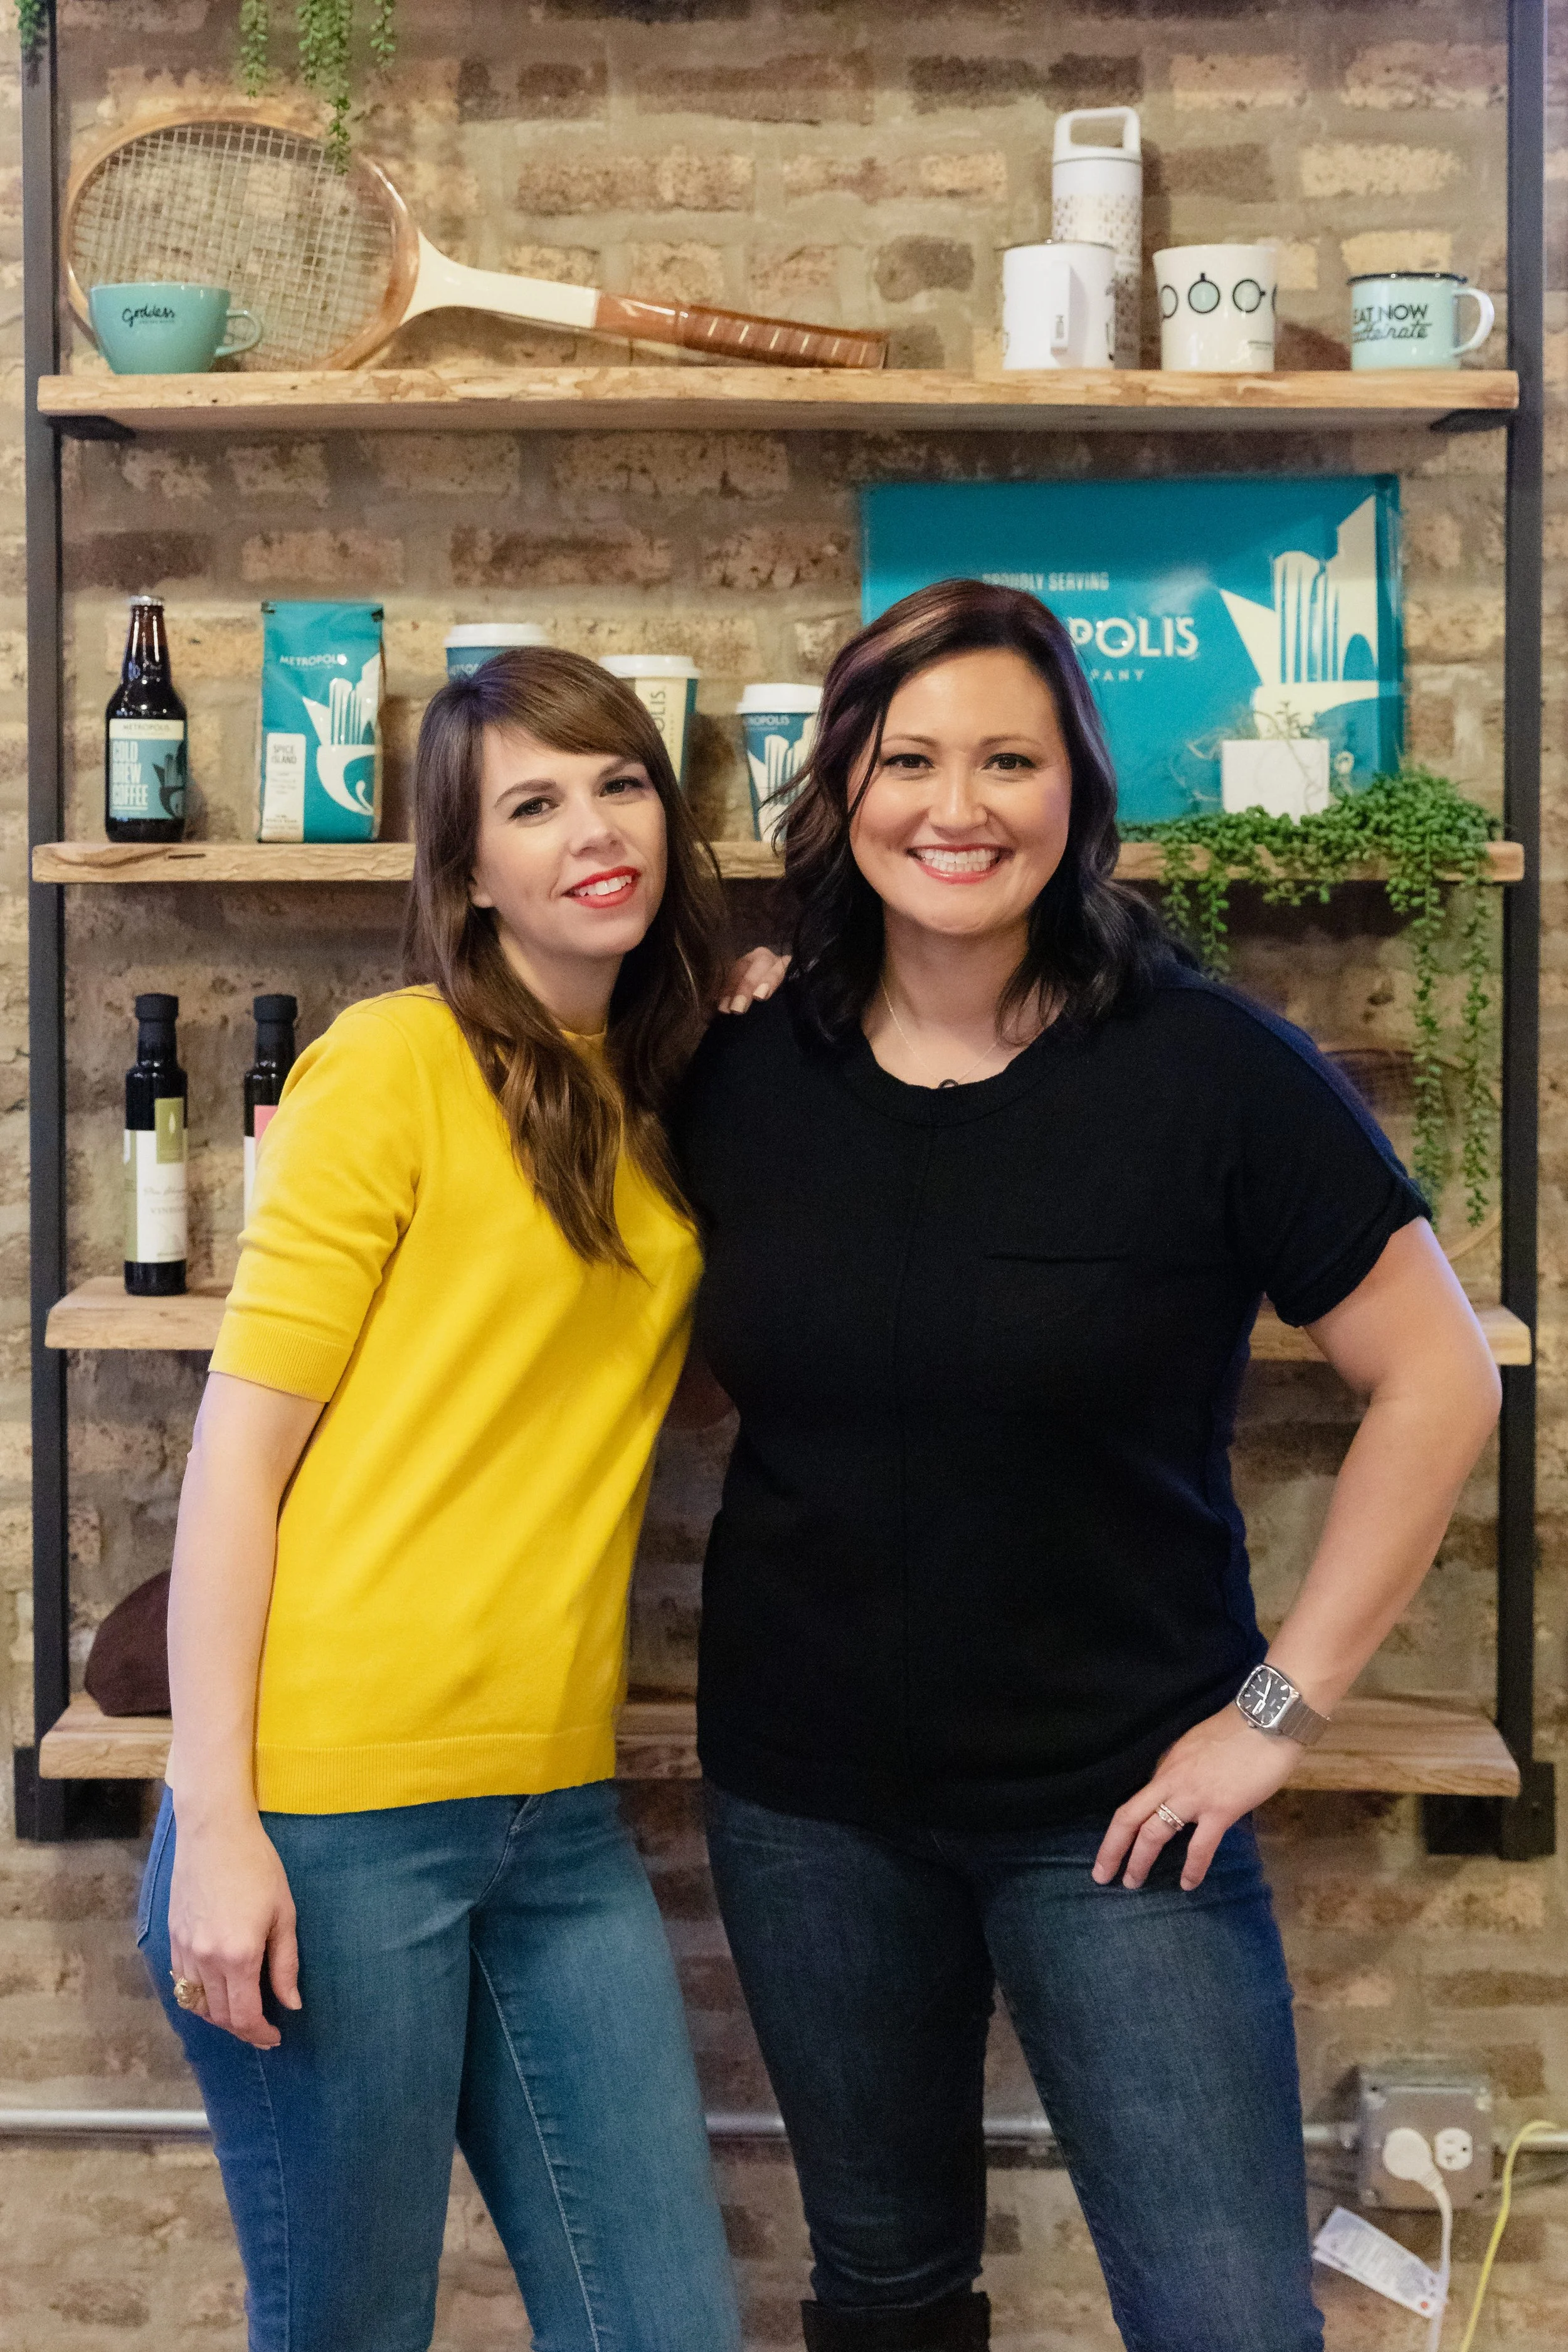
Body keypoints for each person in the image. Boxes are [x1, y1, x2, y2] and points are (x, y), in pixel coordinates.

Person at [673, 581, 1502, 2352]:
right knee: (884, 2299)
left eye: (1007, 759)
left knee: (1222, 2318)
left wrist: (1276, 1709)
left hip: (1120, 1807)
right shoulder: (741, 1067)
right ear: (840, 786)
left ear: (1076, 792)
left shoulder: (1209, 1071)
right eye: (907, 759)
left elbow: (1435, 1380)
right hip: (809, 1800)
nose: (953, 806)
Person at [138, 649, 755, 2352]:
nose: (589, 829)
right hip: (328, 1816)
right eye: (532, 805)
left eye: (619, 782)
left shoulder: (660, 1091)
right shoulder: (391, 1062)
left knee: (666, 2327)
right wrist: (218, 1824)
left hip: (551, 1810)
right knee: (350, 2328)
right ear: (469, 872)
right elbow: (238, 1457)